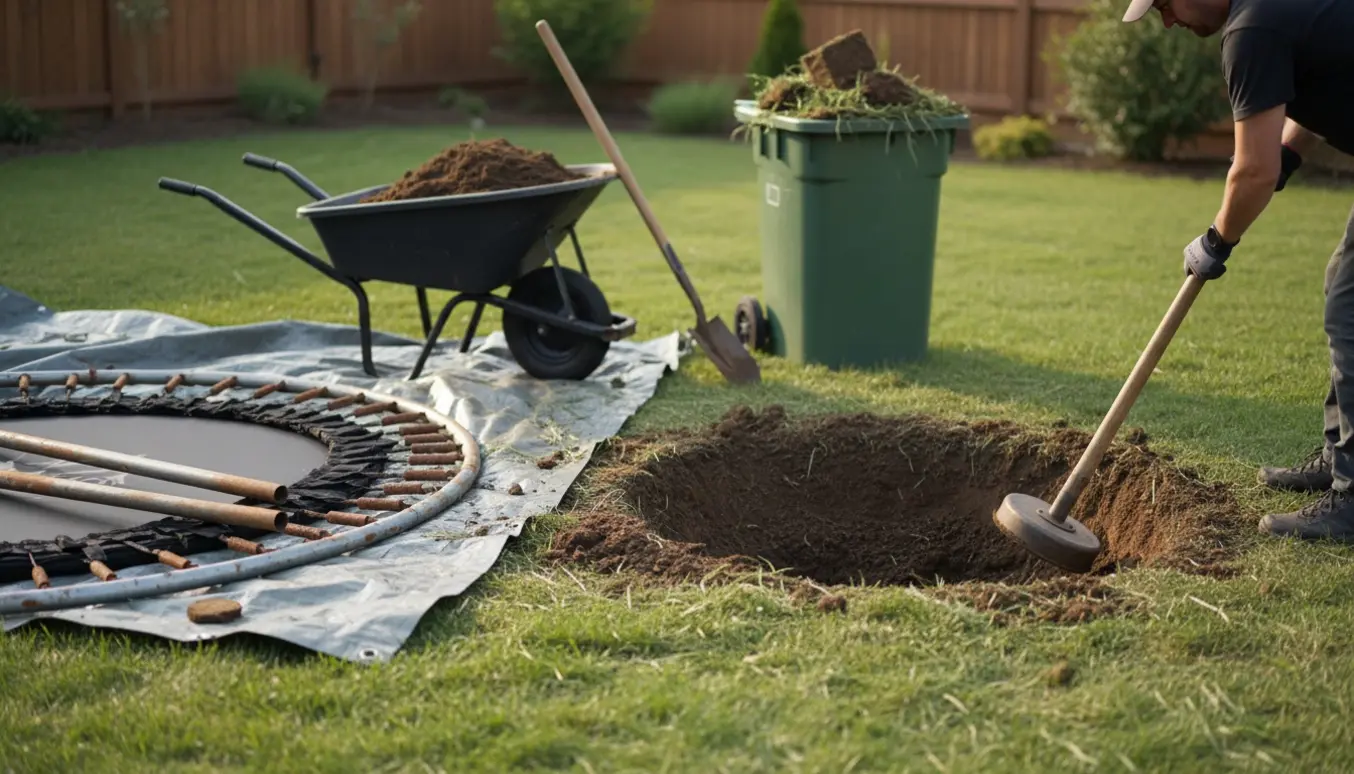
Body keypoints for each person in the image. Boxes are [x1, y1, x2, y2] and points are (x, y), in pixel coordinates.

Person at [1121, 0, 1354, 540]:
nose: (1168, 21)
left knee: (1349, 304)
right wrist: (1289, 154)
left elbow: (1251, 170)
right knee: (1342, 287)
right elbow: (1323, 77)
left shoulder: (1251, 28)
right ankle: (1338, 457)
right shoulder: (1274, 10)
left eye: (1165, 5)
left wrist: (1214, 242)